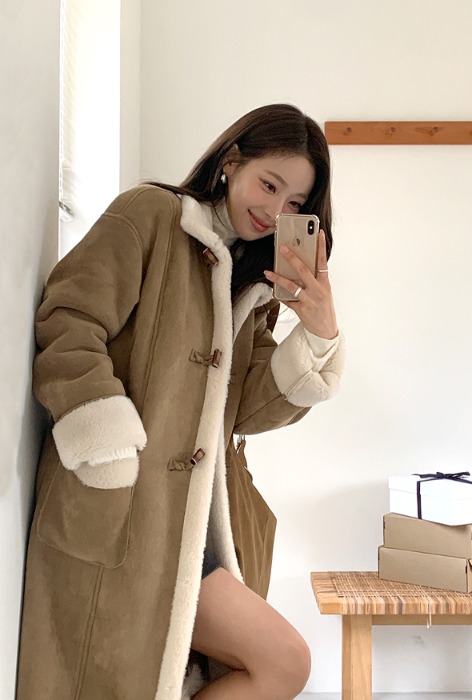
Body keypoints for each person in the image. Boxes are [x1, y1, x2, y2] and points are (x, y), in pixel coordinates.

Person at [16, 103, 344, 700]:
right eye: (269, 185)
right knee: (275, 662)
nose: (276, 212)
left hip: (191, 525)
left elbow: (248, 411)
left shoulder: (252, 287)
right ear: (232, 160)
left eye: (296, 203)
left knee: (283, 662)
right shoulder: (151, 215)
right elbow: (69, 320)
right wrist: (109, 450)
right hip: (123, 510)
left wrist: (317, 333)